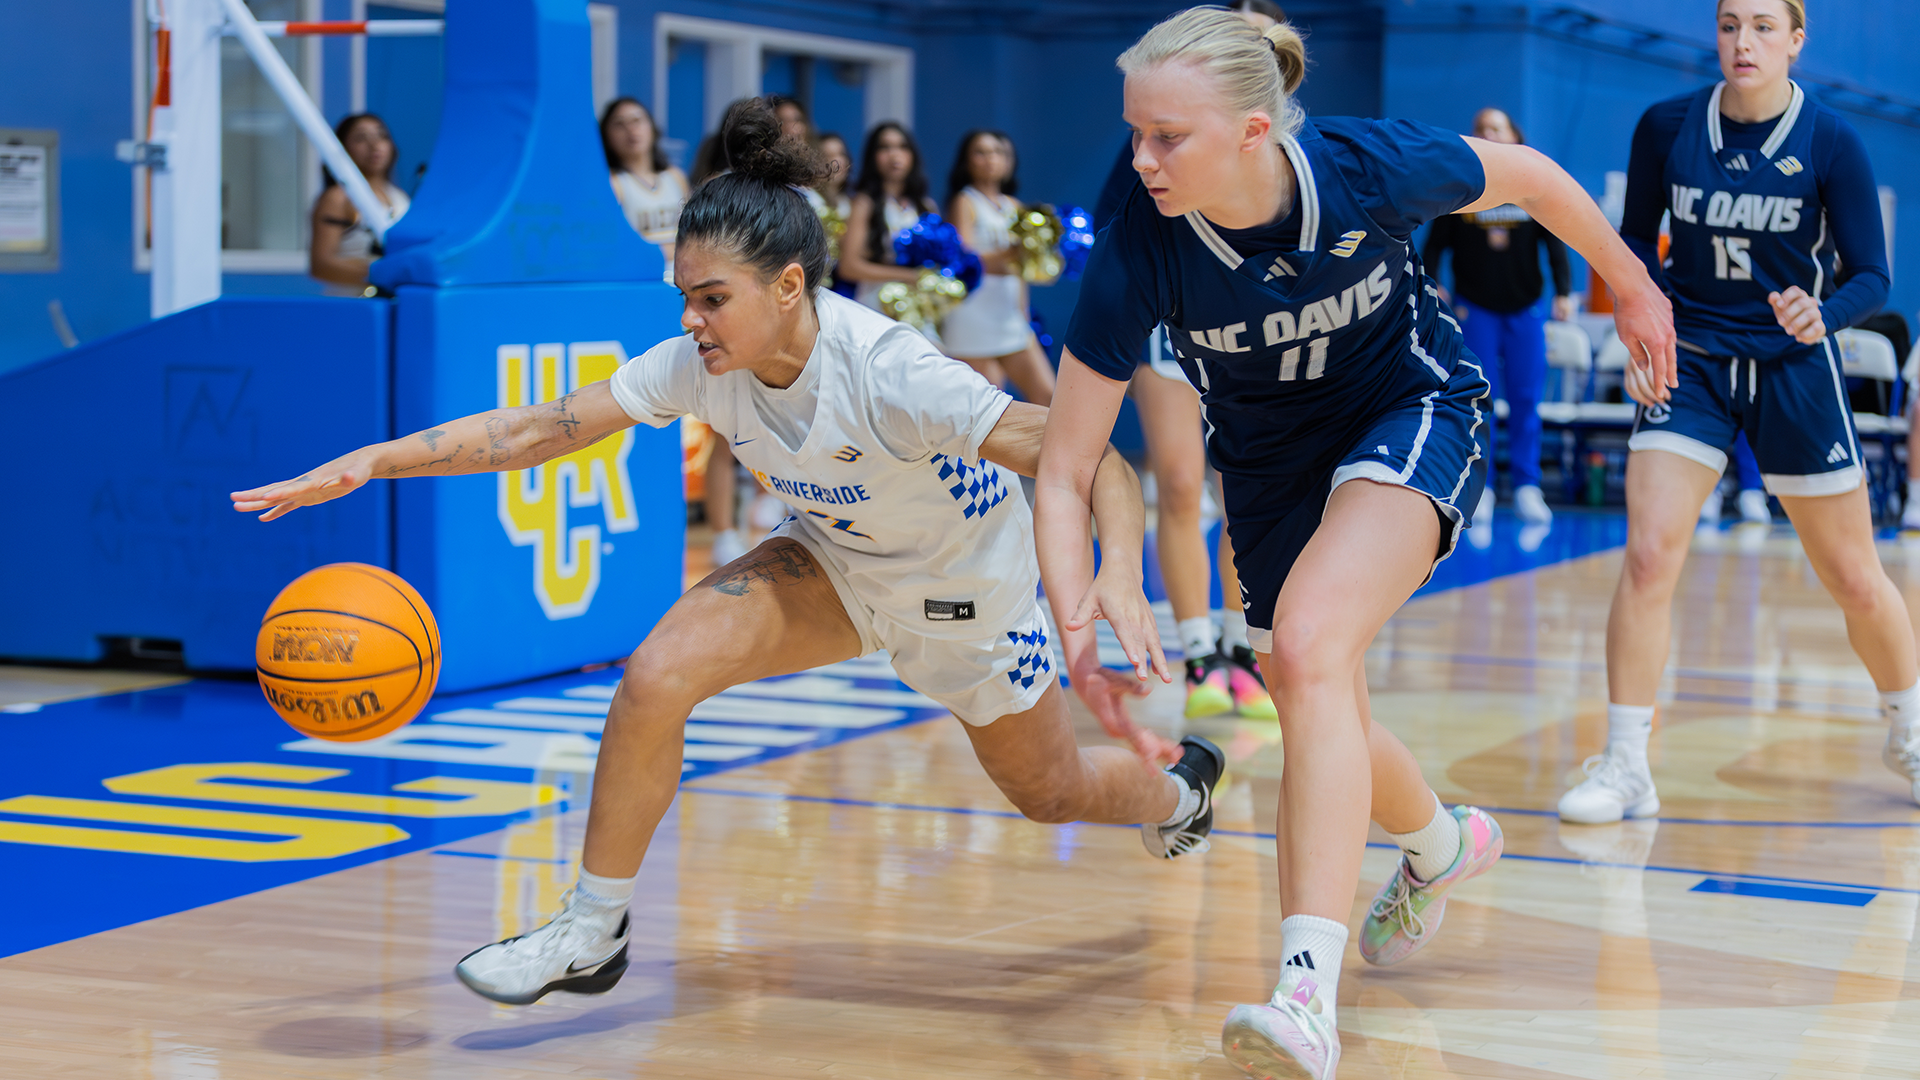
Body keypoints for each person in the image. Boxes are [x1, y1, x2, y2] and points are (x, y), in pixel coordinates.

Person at [231, 96, 1224, 1009]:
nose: (688, 321)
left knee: (1048, 794)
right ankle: (593, 928)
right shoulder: (697, 365)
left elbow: (1095, 464)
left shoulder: (892, 374)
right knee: (658, 672)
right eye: (683, 296)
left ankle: (1180, 788)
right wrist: (371, 461)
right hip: (835, 563)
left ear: (788, 287)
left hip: (968, 598)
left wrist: (1113, 573)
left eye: (710, 299)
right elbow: (541, 427)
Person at [1034, 9, 1677, 1076]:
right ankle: (1440, 846)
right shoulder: (1140, 246)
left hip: (1410, 410)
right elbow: (1064, 468)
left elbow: (1536, 179)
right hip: (1275, 469)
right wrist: (1082, 616)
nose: (1139, 159)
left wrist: (1640, 291)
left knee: (1312, 641)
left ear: (1253, 131)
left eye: (1166, 137)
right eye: (1133, 134)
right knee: (1301, 676)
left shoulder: (1363, 165)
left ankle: (1304, 996)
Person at [1559, 0, 1914, 826]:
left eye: (1762, 26)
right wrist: (1638, 333)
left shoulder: (1832, 139)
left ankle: (1909, 729)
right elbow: (1631, 249)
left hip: (1794, 364)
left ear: (1796, 41)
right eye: (1728, 24)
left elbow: (1872, 275)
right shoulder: (1667, 127)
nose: (1742, 42)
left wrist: (1823, 313)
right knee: (1648, 556)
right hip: (1694, 360)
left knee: (1856, 578)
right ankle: (1626, 764)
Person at [1089, 0, 1285, 723]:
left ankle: (1244, 648)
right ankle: (1197, 648)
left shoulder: (1299, 150)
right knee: (1176, 483)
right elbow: (1118, 223)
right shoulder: (1162, 135)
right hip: (1173, 332)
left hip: (1257, 337)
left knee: (1246, 496)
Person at [1422, 107, 1574, 527]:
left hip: (1525, 310)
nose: (1487, 132)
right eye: (1480, 128)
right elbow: (1434, 244)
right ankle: (1480, 488)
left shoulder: (1530, 184)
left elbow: (1556, 242)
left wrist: (1563, 292)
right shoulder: (1462, 187)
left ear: (1513, 135)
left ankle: (1527, 485)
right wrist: (1433, 283)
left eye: (1496, 127)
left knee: (1527, 399)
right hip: (1477, 309)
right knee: (1479, 399)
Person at [941, 130, 1057, 406]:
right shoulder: (964, 201)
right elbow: (967, 261)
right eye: (981, 152)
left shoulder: (1014, 206)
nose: (991, 159)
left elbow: (1022, 273)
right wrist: (1014, 254)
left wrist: (1024, 311)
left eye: (998, 152)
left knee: (1048, 394)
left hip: (1009, 315)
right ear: (966, 161)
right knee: (987, 405)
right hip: (973, 314)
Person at [838, 123, 942, 322]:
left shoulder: (926, 206)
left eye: (902, 147)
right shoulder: (864, 203)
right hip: (876, 305)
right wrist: (908, 275)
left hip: (919, 306)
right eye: (885, 148)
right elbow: (849, 266)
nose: (895, 155)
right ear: (873, 156)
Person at [308, 113, 410, 292]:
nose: (374, 145)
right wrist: (380, 274)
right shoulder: (338, 198)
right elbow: (321, 265)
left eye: (382, 136)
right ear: (343, 148)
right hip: (352, 309)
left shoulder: (401, 199)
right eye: (361, 138)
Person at [600, 97, 690, 268]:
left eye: (637, 120)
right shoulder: (613, 183)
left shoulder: (675, 177)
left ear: (652, 128)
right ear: (606, 135)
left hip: (682, 274)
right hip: (642, 274)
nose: (631, 129)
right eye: (619, 124)